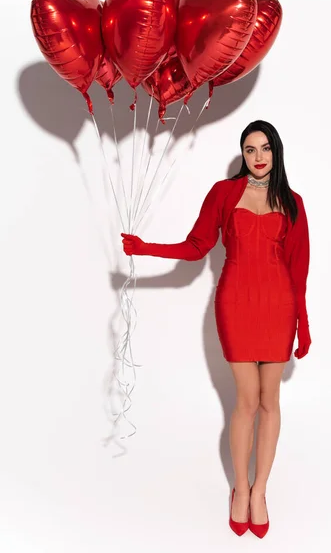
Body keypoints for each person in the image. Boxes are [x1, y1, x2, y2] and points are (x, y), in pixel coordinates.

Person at [121, 119, 311, 538]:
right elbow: (196, 246)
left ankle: (260, 491)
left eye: (264, 149)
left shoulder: (293, 202)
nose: (258, 157)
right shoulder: (224, 193)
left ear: (276, 152)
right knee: (246, 401)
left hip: (278, 307)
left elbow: (299, 271)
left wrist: (304, 325)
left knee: (269, 402)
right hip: (235, 305)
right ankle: (239, 490)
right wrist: (145, 247)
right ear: (242, 155)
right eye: (249, 150)